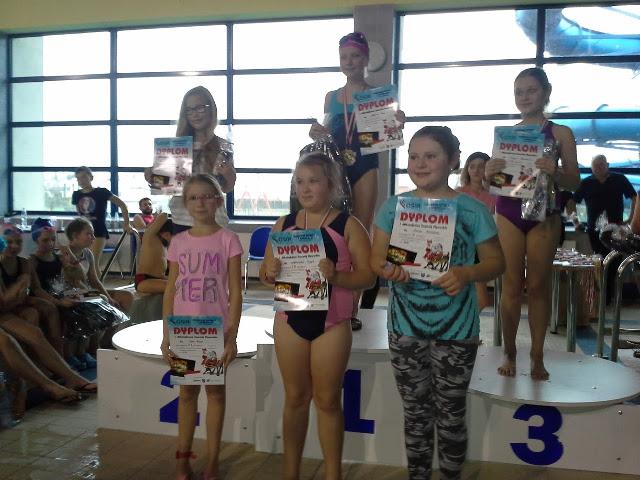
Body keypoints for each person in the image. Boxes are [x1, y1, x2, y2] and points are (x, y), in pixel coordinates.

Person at [370, 126, 504, 480]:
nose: (420, 164)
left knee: (451, 413)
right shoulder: (393, 207)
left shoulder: (472, 211)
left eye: (430, 156)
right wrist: (387, 269)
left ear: (453, 160)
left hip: (457, 330)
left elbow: (497, 263)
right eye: (414, 156)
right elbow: (375, 259)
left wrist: (466, 272)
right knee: (415, 413)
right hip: (405, 328)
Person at [259, 152, 375, 480]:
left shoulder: (348, 225)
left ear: (332, 184)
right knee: (295, 398)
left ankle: (332, 473)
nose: (305, 188)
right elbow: (266, 274)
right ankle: (291, 472)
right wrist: (270, 272)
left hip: (331, 324)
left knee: (327, 401)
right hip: (290, 320)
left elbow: (368, 277)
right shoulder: (284, 224)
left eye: (314, 181)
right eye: (300, 182)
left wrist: (337, 277)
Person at [484, 67, 580, 380]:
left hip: (545, 213)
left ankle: (537, 354)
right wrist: (488, 173)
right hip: (509, 211)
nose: (524, 97)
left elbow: (575, 182)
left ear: (546, 93)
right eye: (519, 92)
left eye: (531, 90)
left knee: (538, 285)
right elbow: (495, 184)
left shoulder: (560, 133)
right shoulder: (507, 135)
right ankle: (510, 350)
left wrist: (556, 171)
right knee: (511, 285)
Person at [309, 32, 405, 324]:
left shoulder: (379, 96)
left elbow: (386, 139)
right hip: (335, 168)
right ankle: (330, 300)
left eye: (355, 56)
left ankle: (353, 308)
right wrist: (316, 132)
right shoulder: (331, 97)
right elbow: (327, 134)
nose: (349, 62)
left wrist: (396, 124)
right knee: (333, 230)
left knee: (361, 234)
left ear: (366, 59)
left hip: (365, 166)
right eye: (344, 57)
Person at [161, 174, 242, 480]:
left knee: (216, 395)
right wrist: (166, 336)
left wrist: (232, 336)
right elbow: (171, 290)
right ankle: (182, 460)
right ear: (185, 203)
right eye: (194, 197)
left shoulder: (228, 239)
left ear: (218, 200)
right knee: (187, 395)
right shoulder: (178, 242)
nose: (200, 203)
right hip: (185, 330)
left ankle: (212, 461)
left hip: (214, 330)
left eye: (207, 196)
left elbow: (236, 292)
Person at [165, 86, 236, 234]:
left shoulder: (223, 146)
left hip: (214, 220)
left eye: (200, 108)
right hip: (181, 219)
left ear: (211, 109)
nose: (195, 115)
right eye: (189, 110)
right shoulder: (178, 146)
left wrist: (228, 174)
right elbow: (167, 184)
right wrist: (153, 176)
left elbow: (227, 188)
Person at [0, 224, 64, 356]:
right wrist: (20, 284)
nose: (14, 246)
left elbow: (36, 288)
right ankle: (31, 356)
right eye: (9, 242)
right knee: (31, 313)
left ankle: (58, 354)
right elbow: (4, 301)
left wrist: (57, 302)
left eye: (19, 242)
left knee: (49, 307)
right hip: (6, 305)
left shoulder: (24, 263)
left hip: (20, 300)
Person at [64, 217, 134, 314]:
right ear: (75, 236)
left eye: (93, 234)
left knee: (126, 296)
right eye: (89, 234)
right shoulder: (64, 254)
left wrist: (110, 298)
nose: (93, 238)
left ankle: (121, 322)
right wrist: (101, 296)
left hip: (86, 290)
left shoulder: (88, 253)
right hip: (69, 293)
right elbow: (75, 283)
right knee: (102, 298)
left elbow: (94, 280)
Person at [72, 166, 134, 274]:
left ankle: (98, 284)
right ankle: (88, 284)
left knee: (93, 262)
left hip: (98, 231)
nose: (81, 180)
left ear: (91, 177)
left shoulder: (102, 192)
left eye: (84, 177)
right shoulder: (77, 194)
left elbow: (122, 205)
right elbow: (80, 215)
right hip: (83, 231)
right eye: (78, 178)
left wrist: (127, 224)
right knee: (84, 263)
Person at [456, 152, 497, 311]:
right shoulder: (459, 192)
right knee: (480, 298)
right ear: (467, 170)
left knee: (480, 299)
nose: (476, 170)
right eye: (472, 166)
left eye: (481, 166)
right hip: (464, 245)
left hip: (487, 245)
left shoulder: (495, 194)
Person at [572, 154, 636, 255]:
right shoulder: (586, 183)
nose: (599, 168)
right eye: (595, 165)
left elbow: (634, 197)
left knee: (615, 258)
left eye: (601, 164)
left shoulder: (619, 179)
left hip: (616, 228)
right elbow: (572, 201)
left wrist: (630, 219)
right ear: (591, 168)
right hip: (594, 230)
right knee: (598, 257)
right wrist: (576, 222)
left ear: (607, 165)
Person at [134, 213, 172, 294]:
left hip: (159, 278)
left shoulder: (164, 246)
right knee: (176, 287)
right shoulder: (150, 236)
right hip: (144, 280)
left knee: (185, 282)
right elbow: (164, 215)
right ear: (165, 233)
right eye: (172, 236)